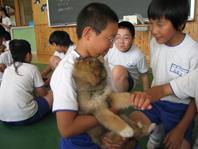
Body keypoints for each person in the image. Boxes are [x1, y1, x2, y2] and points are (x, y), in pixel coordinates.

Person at [104, 0, 198, 148]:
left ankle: (159, 131)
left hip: (181, 109)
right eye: (151, 22)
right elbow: (157, 82)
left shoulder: (193, 52)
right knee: (119, 136)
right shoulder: (155, 43)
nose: (153, 30)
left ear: (180, 23)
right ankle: (157, 131)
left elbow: (195, 100)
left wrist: (180, 130)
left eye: (160, 24)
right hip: (154, 101)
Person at [50, 2, 119, 149]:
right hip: (81, 142)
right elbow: (67, 129)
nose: (112, 45)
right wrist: (110, 113)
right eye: (110, 39)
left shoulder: (100, 59)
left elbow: (111, 98)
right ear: (88, 34)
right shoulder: (66, 71)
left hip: (104, 130)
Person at [0, 39, 53, 125]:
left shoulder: (8, 69)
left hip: (3, 117)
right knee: (53, 93)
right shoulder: (32, 68)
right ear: (28, 55)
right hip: (24, 117)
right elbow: (43, 94)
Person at [105, 21, 149, 92]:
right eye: (118, 37)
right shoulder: (110, 47)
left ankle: (119, 98)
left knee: (118, 71)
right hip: (110, 78)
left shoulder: (138, 55)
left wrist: (147, 95)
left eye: (126, 38)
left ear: (133, 39)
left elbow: (144, 75)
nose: (121, 41)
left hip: (126, 81)